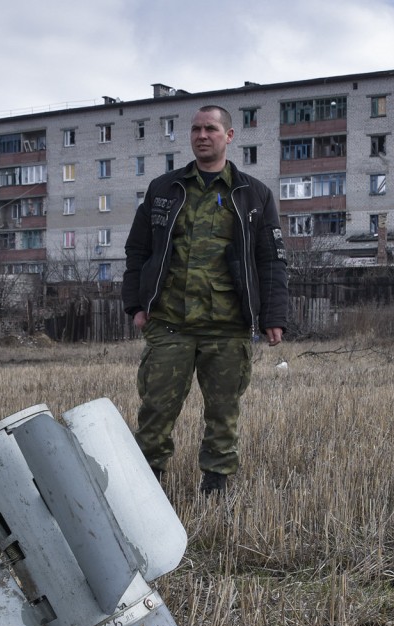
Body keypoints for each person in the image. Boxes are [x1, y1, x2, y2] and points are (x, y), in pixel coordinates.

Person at [123, 105, 289, 495]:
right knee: (155, 412)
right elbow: (137, 250)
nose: (202, 135)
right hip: (169, 324)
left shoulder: (253, 194)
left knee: (223, 414)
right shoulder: (164, 189)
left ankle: (216, 488)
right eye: (196, 129)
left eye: (211, 129)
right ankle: (148, 489)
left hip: (227, 327)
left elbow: (272, 259)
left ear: (228, 136)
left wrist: (273, 315)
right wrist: (135, 305)